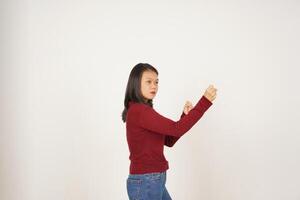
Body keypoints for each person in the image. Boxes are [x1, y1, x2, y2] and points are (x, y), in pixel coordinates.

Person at [121, 63, 217, 200]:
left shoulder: (142, 111)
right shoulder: (139, 111)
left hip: (153, 180)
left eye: (156, 82)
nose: (154, 85)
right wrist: (205, 102)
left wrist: (184, 116)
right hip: (146, 182)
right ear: (136, 83)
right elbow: (176, 129)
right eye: (149, 81)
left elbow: (169, 140)